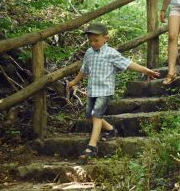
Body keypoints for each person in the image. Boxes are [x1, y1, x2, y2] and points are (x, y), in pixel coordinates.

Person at [66, 23, 160, 160]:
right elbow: (83, 70)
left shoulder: (111, 53)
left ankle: (91, 147)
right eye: (90, 40)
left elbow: (128, 64)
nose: (92, 43)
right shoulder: (89, 53)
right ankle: (111, 130)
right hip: (92, 90)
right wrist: (74, 82)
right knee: (89, 116)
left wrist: (146, 70)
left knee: (96, 115)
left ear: (106, 39)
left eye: (96, 40)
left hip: (104, 90)